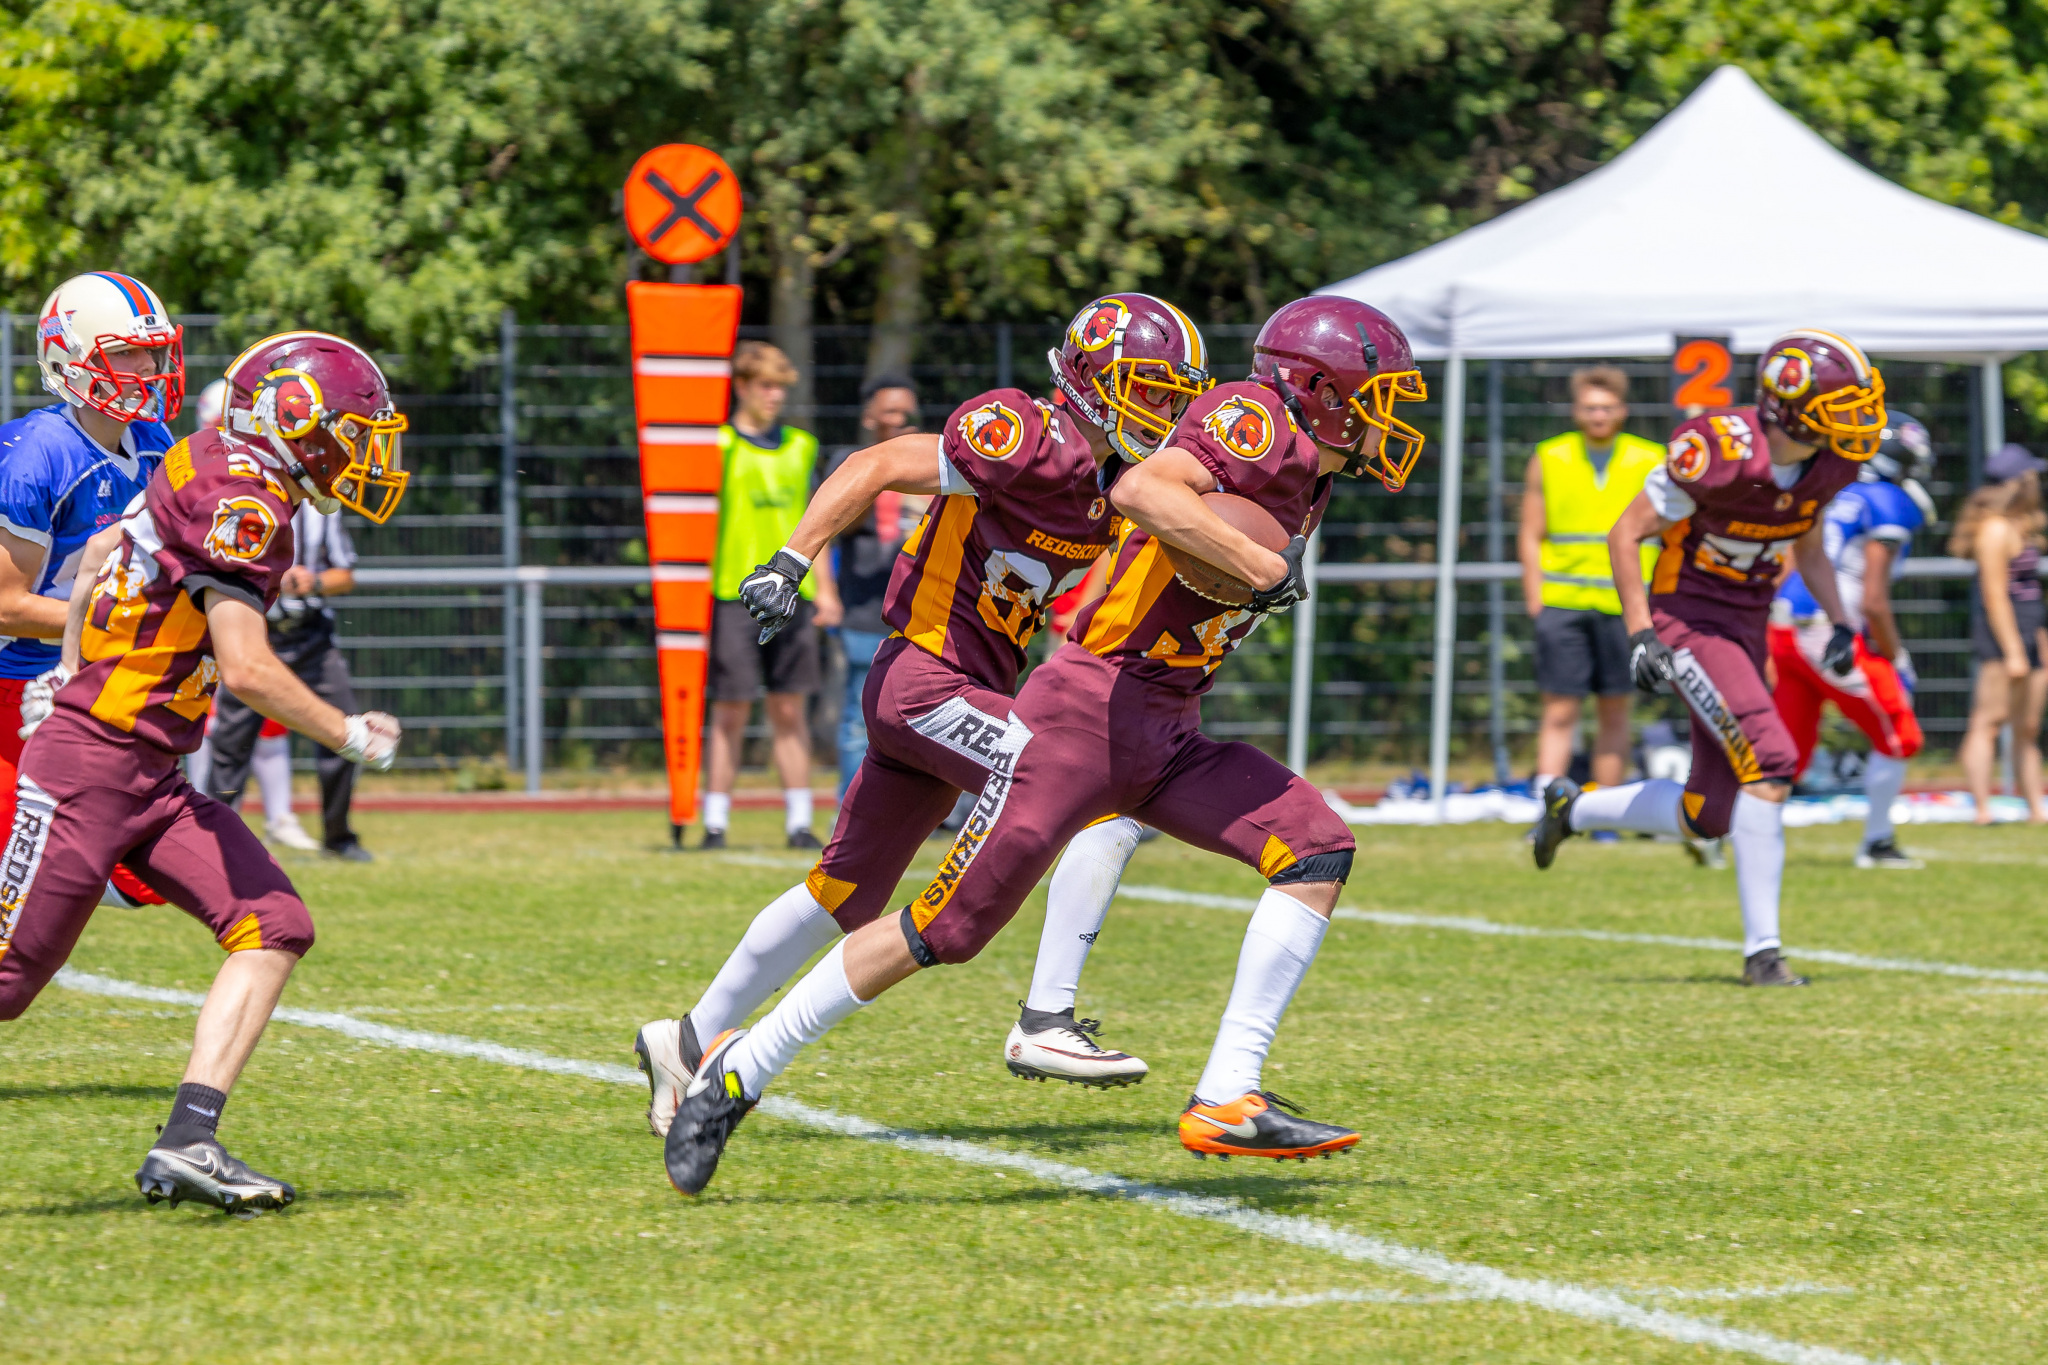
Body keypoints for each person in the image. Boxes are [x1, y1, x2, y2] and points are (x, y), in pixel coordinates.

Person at [656, 296, 1431, 1195]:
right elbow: (1143, 491)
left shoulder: (1285, 468)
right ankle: (740, 1070)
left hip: (1167, 724)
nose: (1388, 416)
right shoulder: (1249, 421)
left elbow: (1132, 502)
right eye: (1377, 395)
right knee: (943, 930)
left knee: (1316, 846)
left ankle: (1227, 1095)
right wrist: (1257, 563)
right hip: (1080, 719)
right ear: (1321, 391)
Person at [633, 294, 1212, 1135]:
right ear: (1093, 379)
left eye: (1174, 394)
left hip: (954, 691)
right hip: (925, 679)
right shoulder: (1024, 433)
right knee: (1087, 785)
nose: (1161, 408)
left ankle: (685, 1039)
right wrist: (791, 561)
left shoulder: (1115, 481)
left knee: (843, 892)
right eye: (1150, 387)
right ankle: (1046, 1017)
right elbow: (876, 464)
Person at [0, 330, 407, 1210]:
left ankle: (190, 1138)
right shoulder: (245, 501)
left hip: (151, 775)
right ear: (296, 420)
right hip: (93, 767)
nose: (365, 454)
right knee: (7, 982)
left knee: (274, 922)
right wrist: (348, 733)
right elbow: (249, 669)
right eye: (353, 432)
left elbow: (104, 555)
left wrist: (65, 666)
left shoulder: (208, 457)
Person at [1531, 330, 1887, 987]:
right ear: (1790, 404)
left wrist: (1840, 618)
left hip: (1747, 623)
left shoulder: (1828, 464)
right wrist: (1642, 632)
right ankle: (1764, 954)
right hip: (1689, 619)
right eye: (1842, 406)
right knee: (1772, 760)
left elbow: (1807, 542)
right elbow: (1626, 533)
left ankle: (1570, 809)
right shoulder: (1719, 453)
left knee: (1708, 813)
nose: (1857, 421)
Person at [0, 273, 183, 911]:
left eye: (153, 351)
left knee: (143, 880)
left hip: (92, 680)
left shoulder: (155, 442)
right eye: (126, 352)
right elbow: (5, 606)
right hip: (14, 687)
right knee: (31, 883)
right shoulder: (37, 453)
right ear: (68, 359)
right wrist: (122, 622)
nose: (149, 369)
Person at [1769, 414, 1936, 865]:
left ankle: (1719, 829)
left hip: (1784, 625)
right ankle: (1878, 843)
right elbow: (1874, 601)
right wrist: (1897, 656)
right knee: (1899, 731)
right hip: (1827, 632)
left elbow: (1790, 560)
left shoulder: (1834, 490)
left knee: (1784, 751)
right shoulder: (1888, 501)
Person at [702, 341, 840, 850]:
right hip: (731, 592)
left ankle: (799, 823)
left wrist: (827, 592)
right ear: (741, 386)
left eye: (780, 387)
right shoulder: (718, 444)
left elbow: (818, 523)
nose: (774, 395)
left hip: (793, 594)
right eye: (765, 385)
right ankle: (714, 824)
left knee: (789, 710)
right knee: (730, 709)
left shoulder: (802, 446)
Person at [1519, 366, 1665, 796]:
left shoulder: (1651, 458)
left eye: (1606, 407)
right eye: (1590, 408)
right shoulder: (1550, 456)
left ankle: (1604, 811)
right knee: (1559, 711)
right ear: (1575, 411)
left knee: (1615, 711)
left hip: (1625, 606)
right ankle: (1547, 806)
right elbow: (1530, 533)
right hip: (1562, 603)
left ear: (1623, 410)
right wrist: (1535, 599)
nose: (1598, 415)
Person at [207, 494, 372, 859]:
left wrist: (313, 582)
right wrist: (273, 580)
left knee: (346, 728)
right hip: (257, 635)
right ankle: (212, 841)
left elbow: (345, 576)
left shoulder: (324, 508)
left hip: (312, 638)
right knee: (231, 742)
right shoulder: (247, 498)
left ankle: (339, 838)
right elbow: (221, 565)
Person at [819, 374, 922, 793]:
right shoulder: (850, 462)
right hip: (863, 608)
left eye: (906, 412)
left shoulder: (929, 462)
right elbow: (832, 528)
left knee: (920, 717)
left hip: (919, 612)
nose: (900, 418)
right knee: (857, 718)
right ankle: (850, 808)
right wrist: (880, 472)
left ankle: (923, 812)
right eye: (890, 412)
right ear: (869, 417)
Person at [1953, 442, 2048, 824]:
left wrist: (2038, 642)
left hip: (2029, 632)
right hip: (2002, 636)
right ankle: (1982, 810)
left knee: (2028, 727)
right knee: (1988, 722)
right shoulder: (1993, 530)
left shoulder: (2019, 526)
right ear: (2019, 482)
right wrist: (2013, 651)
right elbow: (1995, 596)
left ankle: (2036, 810)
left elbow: (2030, 592)